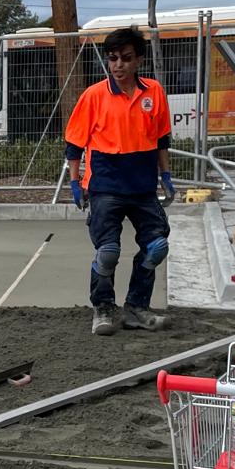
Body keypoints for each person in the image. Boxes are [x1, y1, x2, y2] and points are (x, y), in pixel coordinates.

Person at [63, 27, 178, 336]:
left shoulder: (153, 92)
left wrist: (165, 175)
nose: (118, 65)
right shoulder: (94, 96)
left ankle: (136, 308)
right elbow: (74, 144)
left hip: (142, 186)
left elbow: (161, 139)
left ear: (138, 59)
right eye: (113, 58)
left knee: (156, 247)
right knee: (108, 251)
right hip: (106, 186)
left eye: (126, 58)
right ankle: (102, 309)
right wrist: (75, 183)